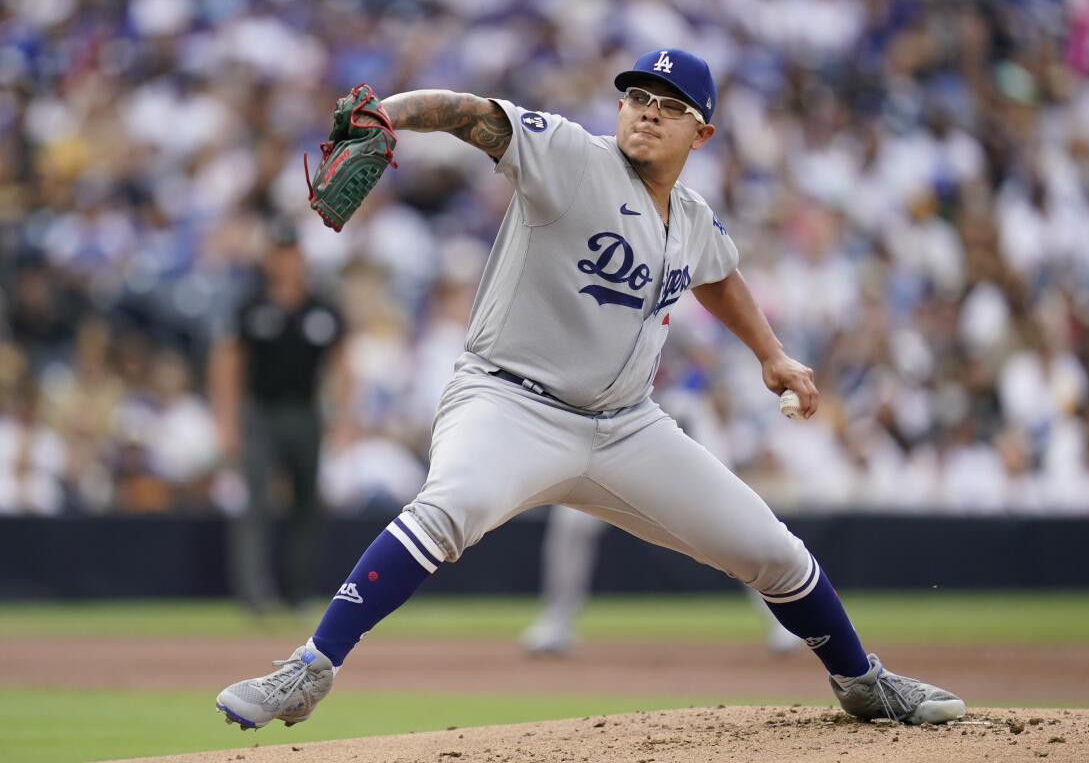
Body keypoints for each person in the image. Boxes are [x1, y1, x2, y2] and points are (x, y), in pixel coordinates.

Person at [215, 49, 966, 729]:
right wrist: (394, 114)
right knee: (446, 510)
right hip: (509, 403)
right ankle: (308, 670)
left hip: (625, 428)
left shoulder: (693, 217)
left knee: (773, 550)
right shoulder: (571, 157)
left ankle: (862, 681)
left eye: (670, 105)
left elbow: (718, 274)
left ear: (701, 135)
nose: (647, 110)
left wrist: (771, 354)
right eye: (638, 96)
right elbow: (472, 113)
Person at [209, 223, 346, 612]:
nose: (285, 262)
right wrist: (226, 419)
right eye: (278, 254)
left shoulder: (322, 307)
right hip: (261, 412)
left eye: (290, 254)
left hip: (305, 412)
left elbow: (342, 365)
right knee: (256, 503)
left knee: (306, 503)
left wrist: (343, 418)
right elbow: (227, 362)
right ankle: (255, 594)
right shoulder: (251, 305)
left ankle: (298, 592)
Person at [522, 505, 803, 656]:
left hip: (682, 426)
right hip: (614, 425)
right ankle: (556, 621)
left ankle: (782, 619)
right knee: (572, 524)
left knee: (731, 522)